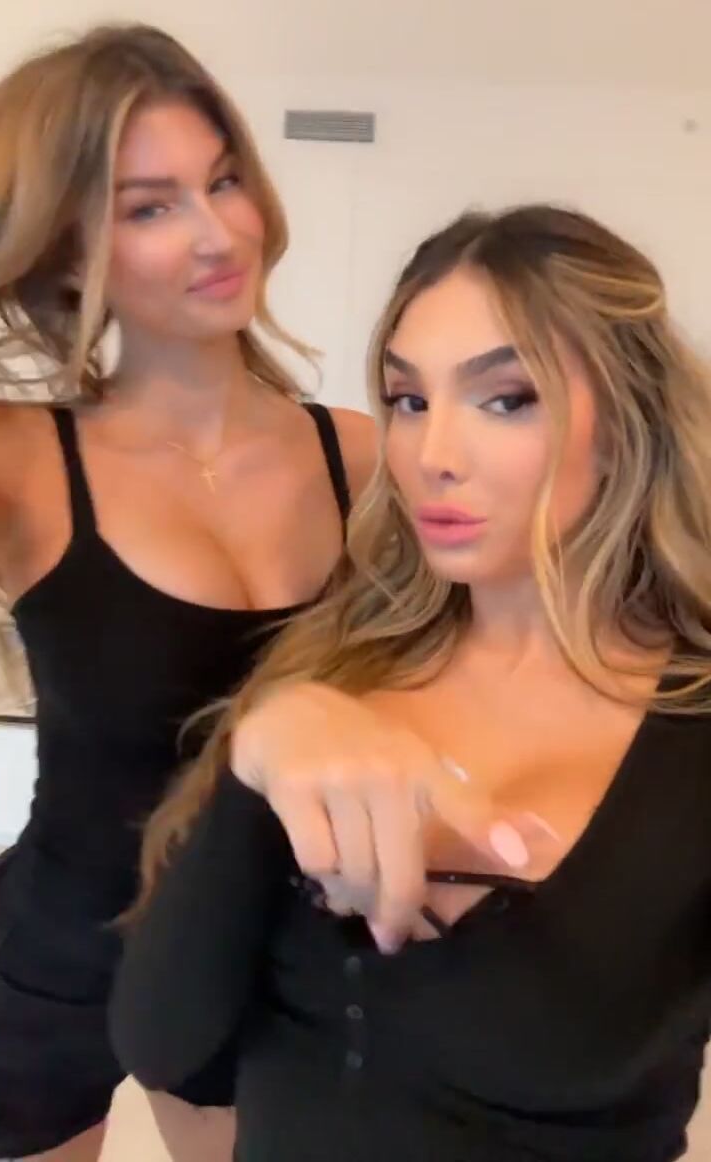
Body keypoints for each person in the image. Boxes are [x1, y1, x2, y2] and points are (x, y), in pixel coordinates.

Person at [112, 205, 711, 1162]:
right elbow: (165, 1045)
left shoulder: (692, 736)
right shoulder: (328, 674)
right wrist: (256, 757)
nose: (433, 456)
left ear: (628, 420)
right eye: (408, 400)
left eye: (506, 399)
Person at [0, 22, 381, 1162]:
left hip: (265, 963)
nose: (217, 233)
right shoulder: (20, 460)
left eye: (223, 181)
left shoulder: (361, 458)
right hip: (58, 953)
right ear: (65, 250)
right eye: (150, 206)